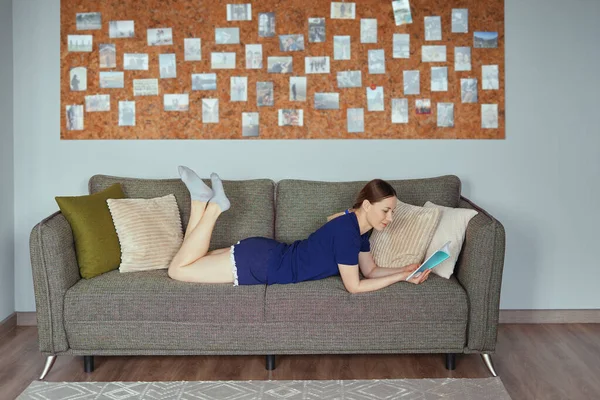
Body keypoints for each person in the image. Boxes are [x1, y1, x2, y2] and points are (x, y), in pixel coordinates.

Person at [168, 167, 432, 293]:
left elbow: (370, 270)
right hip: (263, 264)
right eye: (386, 210)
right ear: (366, 205)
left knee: (191, 259)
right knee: (177, 271)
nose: (390, 217)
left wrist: (405, 270)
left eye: (393, 212)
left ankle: (199, 201)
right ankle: (214, 208)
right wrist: (399, 279)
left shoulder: (355, 228)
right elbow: (355, 286)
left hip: (266, 253)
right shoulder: (347, 233)